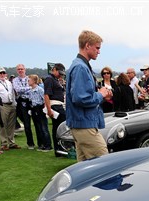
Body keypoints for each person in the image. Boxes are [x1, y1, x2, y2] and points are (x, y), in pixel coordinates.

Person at [65, 30, 112, 162]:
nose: (99, 51)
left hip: (81, 123)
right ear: (87, 46)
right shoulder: (80, 67)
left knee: (85, 168)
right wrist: (100, 94)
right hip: (84, 124)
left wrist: (101, 96)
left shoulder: (80, 65)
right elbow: (80, 98)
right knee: (104, 164)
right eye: (97, 48)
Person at [0, 67, 19, 151]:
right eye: (0, 73)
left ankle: (12, 143)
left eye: (3, 73)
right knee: (2, 124)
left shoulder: (8, 82)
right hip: (2, 105)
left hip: (11, 104)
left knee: (11, 125)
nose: (2, 74)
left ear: (6, 74)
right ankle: (4, 143)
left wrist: (14, 103)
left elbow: (12, 94)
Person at [43, 63, 66, 157]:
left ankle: (59, 149)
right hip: (55, 106)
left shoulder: (55, 79)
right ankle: (59, 149)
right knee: (59, 128)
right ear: (54, 70)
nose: (60, 75)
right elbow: (46, 95)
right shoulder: (49, 79)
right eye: (59, 73)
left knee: (58, 128)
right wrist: (49, 109)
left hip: (59, 105)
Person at [13, 64, 36, 149]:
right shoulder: (15, 80)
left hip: (31, 102)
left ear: (25, 70)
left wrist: (26, 88)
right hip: (22, 103)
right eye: (18, 69)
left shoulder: (29, 78)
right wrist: (29, 87)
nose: (20, 70)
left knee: (37, 123)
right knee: (27, 124)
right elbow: (17, 89)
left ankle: (42, 142)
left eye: (21, 69)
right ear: (17, 70)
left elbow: (33, 88)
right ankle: (30, 144)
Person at [27, 74, 52, 151]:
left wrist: (45, 109)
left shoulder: (40, 90)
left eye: (29, 80)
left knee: (43, 127)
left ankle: (48, 145)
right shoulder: (30, 91)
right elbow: (31, 100)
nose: (28, 81)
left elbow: (44, 99)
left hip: (40, 108)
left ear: (34, 81)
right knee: (38, 128)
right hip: (34, 109)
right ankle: (41, 144)